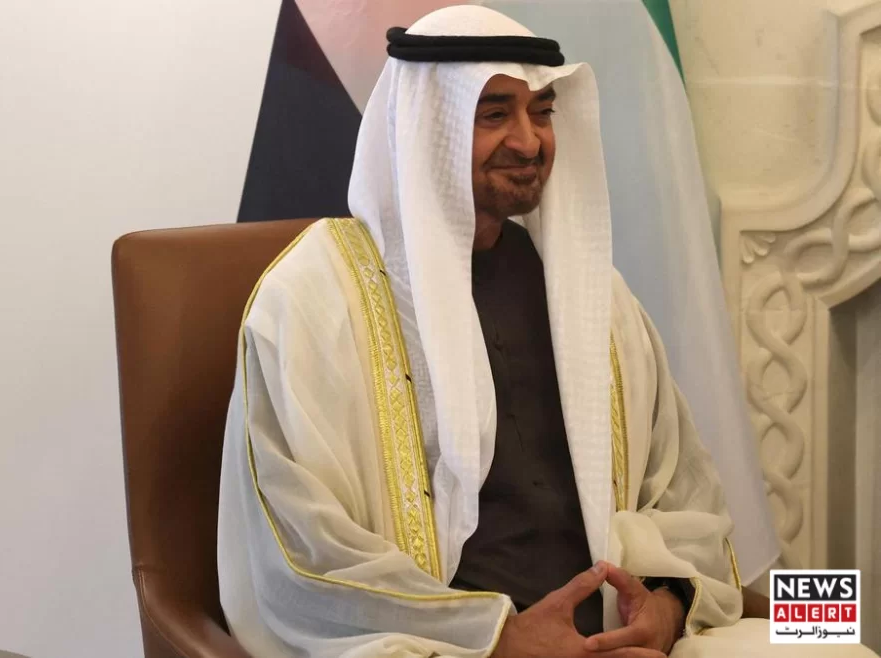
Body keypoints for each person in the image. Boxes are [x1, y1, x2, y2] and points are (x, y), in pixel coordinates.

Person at [216, 5, 875, 657]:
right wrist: (500, 638)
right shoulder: (313, 299)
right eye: (495, 114)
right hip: (442, 643)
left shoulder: (593, 294)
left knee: (837, 643)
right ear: (426, 127)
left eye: (544, 111)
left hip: (618, 628)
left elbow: (681, 494)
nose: (530, 142)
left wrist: (669, 605)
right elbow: (302, 547)